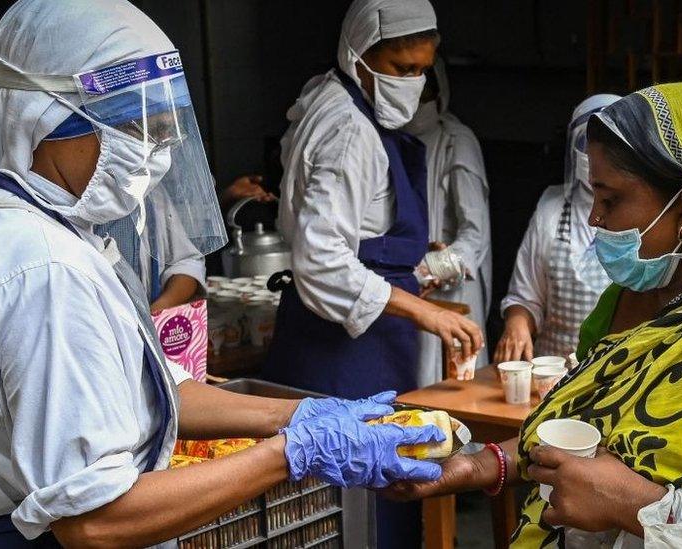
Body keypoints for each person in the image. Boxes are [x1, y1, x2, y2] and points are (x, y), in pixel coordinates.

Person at [0, 1, 446, 547]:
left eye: (160, 124)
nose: (154, 151)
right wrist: (292, 452)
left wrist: (296, 413)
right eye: (131, 125)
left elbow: (141, 389)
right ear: (47, 119)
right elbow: (94, 521)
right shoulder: (43, 267)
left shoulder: (1, 220)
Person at [382, 83, 682, 547]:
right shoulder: (626, 301)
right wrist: (473, 466)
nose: (595, 217)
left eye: (611, 200)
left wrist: (640, 508)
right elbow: (576, 428)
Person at [262, 1, 482, 545]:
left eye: (423, 69)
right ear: (357, 54)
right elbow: (323, 261)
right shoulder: (348, 132)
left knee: (361, 491)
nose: (413, 83)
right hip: (341, 352)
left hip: (368, 344)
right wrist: (423, 309)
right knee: (350, 502)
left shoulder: (342, 105)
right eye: (401, 69)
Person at [494, 94, 621, 363]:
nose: (595, 156)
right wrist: (517, 321)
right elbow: (526, 296)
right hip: (550, 377)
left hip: (614, 374)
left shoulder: (645, 217)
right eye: (586, 144)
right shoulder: (550, 209)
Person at [404, 57, 492, 383]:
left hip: (446, 292)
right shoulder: (390, 140)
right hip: (403, 292)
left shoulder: (457, 142)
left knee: (439, 384)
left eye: (423, 90)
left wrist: (426, 272)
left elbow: (474, 237)